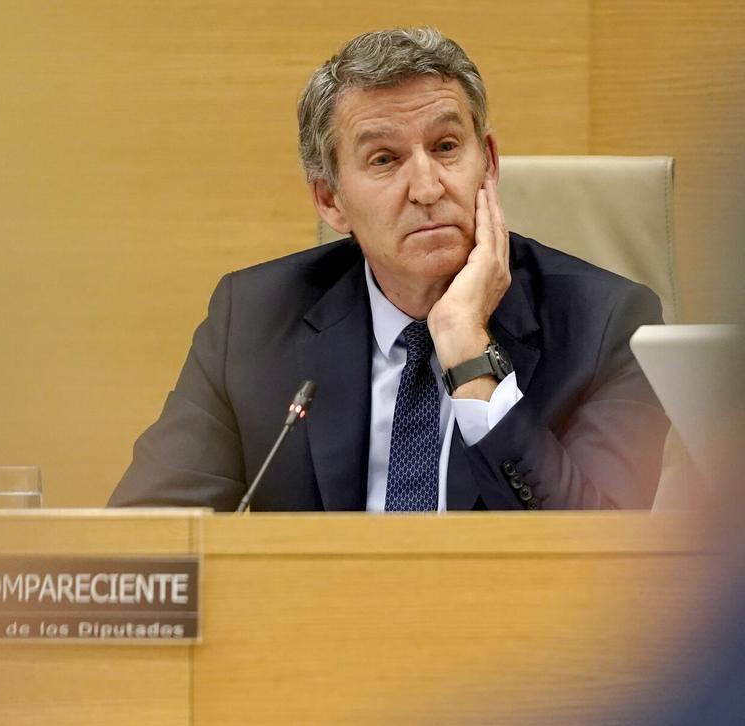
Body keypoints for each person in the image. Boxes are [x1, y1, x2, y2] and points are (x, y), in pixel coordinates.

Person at [108, 27, 668, 511]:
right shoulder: (252, 321)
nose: (427, 188)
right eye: (384, 159)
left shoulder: (606, 327)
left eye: (447, 146)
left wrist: (466, 349)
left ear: (489, 164)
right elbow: (147, 540)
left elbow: (600, 553)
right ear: (330, 200)